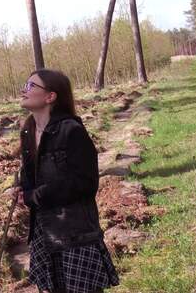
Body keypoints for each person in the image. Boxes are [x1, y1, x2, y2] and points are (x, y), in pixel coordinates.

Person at [18, 69, 119, 293]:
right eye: (25, 85)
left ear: (50, 96)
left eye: (31, 86)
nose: (23, 91)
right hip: (44, 231)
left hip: (74, 233)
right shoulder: (28, 130)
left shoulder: (71, 131)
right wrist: (22, 189)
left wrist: (36, 195)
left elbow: (85, 183)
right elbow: (29, 175)